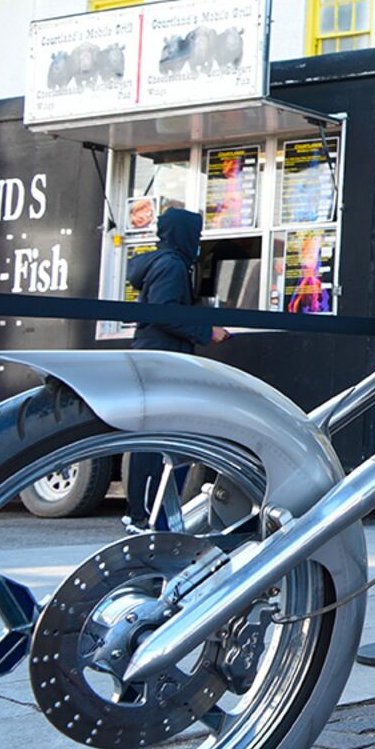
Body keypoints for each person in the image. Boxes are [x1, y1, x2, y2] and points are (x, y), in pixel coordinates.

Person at [125, 207, 229, 523]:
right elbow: (165, 312)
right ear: (183, 235)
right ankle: (148, 515)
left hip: (157, 359)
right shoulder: (171, 266)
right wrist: (206, 332)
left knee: (157, 441)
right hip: (162, 361)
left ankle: (148, 513)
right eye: (195, 235)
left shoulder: (165, 263)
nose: (197, 242)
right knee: (161, 443)